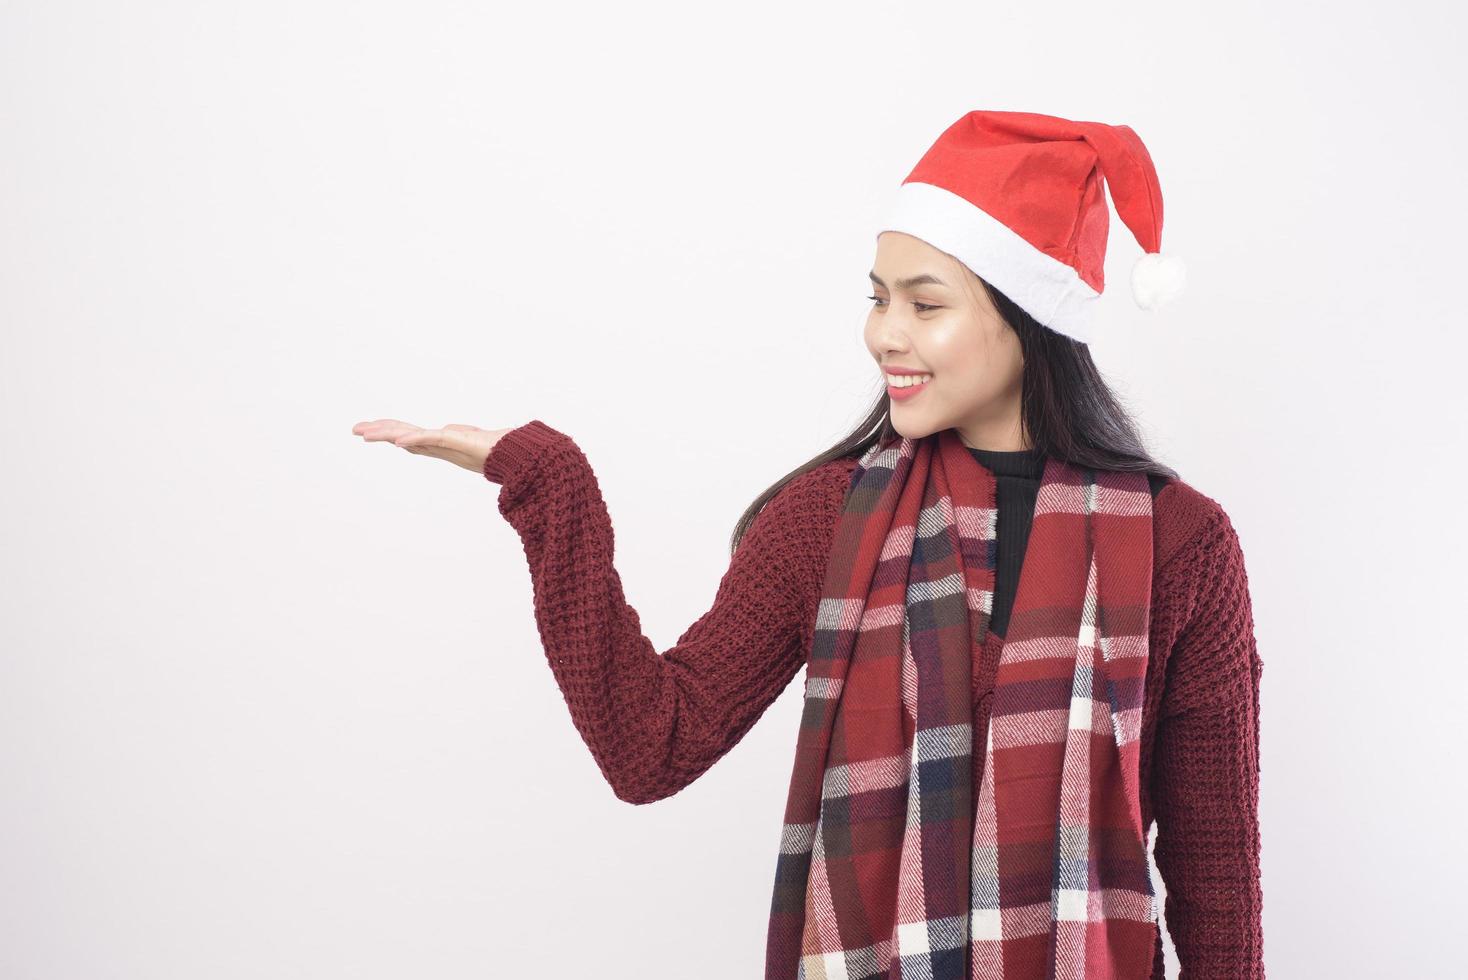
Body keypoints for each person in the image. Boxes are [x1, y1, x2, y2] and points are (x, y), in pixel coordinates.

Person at [351, 109, 1264, 980]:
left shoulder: (1182, 546)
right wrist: (554, 490)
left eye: (924, 303)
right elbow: (650, 747)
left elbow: (1216, 888)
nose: (883, 335)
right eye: (877, 300)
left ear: (1027, 316)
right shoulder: (828, 522)